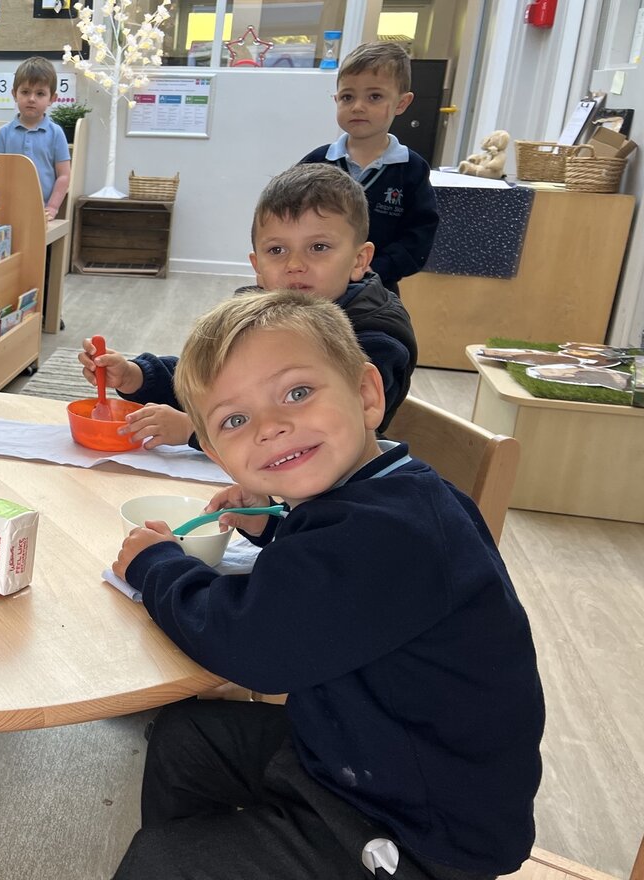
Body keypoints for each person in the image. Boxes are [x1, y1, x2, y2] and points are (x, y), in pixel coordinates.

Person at [108, 290, 545, 880]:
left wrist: (157, 564)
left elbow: (255, 647)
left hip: (418, 827)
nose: (271, 427)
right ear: (215, 452)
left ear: (367, 394)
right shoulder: (386, 491)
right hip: (363, 749)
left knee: (163, 864)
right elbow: (336, 580)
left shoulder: (392, 531)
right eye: (235, 420)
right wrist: (276, 525)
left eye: (296, 392)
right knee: (190, 739)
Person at [80, 163, 418, 448]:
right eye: (277, 250)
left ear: (360, 260)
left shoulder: (376, 338)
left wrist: (194, 431)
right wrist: (136, 376)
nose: (295, 264)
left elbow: (321, 438)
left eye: (318, 247)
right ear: (257, 266)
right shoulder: (255, 314)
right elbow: (211, 381)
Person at [299, 40, 438, 292]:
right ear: (336, 100)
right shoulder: (316, 163)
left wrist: (378, 268)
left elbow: (419, 234)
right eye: (347, 97)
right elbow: (287, 218)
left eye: (374, 96)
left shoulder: (412, 169)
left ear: (402, 103)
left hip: (377, 288)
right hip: (315, 283)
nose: (358, 106)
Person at [0, 56, 72, 221]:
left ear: (52, 99)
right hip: (9, 211)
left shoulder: (56, 133)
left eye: (40, 93)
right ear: (14, 94)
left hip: (42, 213)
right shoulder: (4, 133)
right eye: (25, 92)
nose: (31, 99)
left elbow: (64, 175)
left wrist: (52, 207)